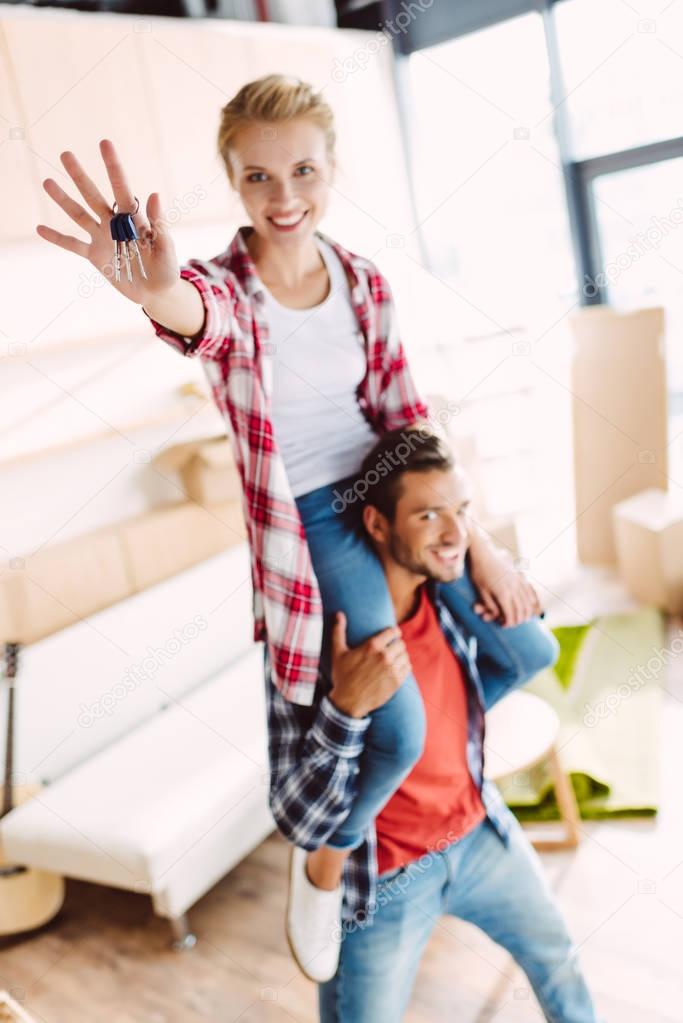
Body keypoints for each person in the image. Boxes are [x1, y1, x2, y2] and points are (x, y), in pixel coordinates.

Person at [35, 74, 556, 981]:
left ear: (330, 169)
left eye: (303, 171)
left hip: (393, 493)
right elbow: (200, 321)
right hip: (316, 519)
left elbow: (406, 414)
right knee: (391, 728)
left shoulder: (363, 280)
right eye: (257, 178)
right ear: (232, 182)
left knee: (530, 649)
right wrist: (157, 290)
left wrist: (479, 544)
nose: (285, 198)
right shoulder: (223, 289)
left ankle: (445, 788)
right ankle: (327, 858)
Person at [268, 425, 601, 1023]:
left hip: (478, 833)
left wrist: (488, 555)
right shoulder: (322, 643)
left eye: (463, 512)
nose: (454, 534)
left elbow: (526, 648)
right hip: (386, 879)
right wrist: (346, 710)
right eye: (428, 516)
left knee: (558, 959)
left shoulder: (449, 604)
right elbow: (295, 815)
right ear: (377, 525)